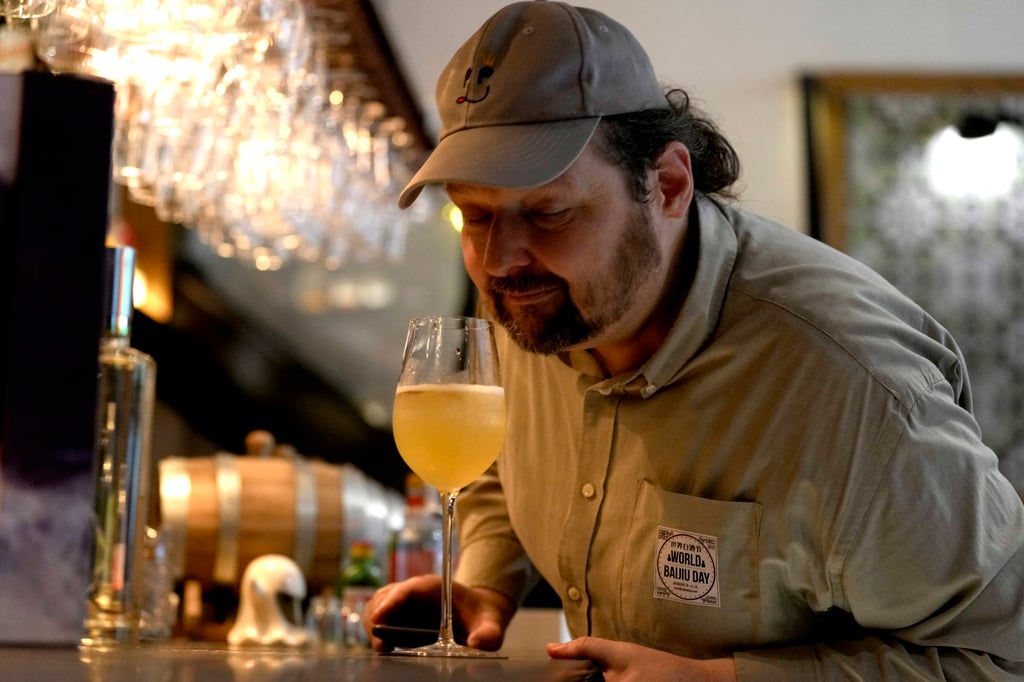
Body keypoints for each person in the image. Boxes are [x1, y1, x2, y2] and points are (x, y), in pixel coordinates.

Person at [364, 2, 1024, 679]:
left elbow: (998, 658)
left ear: (669, 183)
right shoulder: (534, 301)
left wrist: (721, 680)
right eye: (473, 215)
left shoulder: (857, 390)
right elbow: (503, 460)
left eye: (548, 210)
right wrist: (485, 585)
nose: (501, 259)